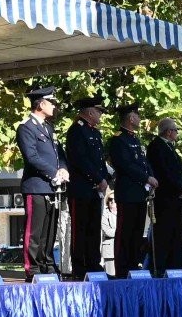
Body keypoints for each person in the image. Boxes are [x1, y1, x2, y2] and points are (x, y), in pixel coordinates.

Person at [17, 85, 66, 276]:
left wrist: (63, 169)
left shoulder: (48, 128)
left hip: (52, 187)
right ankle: (33, 268)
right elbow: (32, 157)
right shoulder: (26, 127)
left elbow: (58, 153)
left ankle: (47, 264)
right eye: (51, 103)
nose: (54, 106)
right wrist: (54, 172)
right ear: (40, 104)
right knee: (34, 232)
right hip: (36, 186)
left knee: (49, 232)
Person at [106, 104, 155, 275]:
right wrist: (146, 178)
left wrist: (151, 177)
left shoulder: (135, 139)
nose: (140, 119)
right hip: (127, 194)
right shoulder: (118, 140)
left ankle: (134, 266)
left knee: (136, 233)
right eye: (137, 115)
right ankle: (122, 268)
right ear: (131, 118)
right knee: (125, 233)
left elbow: (143, 162)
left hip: (139, 194)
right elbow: (126, 165)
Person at [65, 96, 109, 278]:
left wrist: (104, 178)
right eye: (98, 111)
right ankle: (80, 267)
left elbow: (100, 161)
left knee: (93, 230)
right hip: (81, 188)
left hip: (95, 190)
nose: (100, 115)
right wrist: (98, 178)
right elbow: (80, 159)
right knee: (80, 230)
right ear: (90, 112)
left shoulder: (95, 133)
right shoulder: (77, 131)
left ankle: (93, 264)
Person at [148, 116, 182, 273]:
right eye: (175, 130)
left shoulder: (170, 148)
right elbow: (165, 173)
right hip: (165, 199)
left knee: (176, 234)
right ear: (169, 131)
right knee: (165, 234)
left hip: (176, 199)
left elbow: (178, 170)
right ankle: (162, 268)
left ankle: (175, 266)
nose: (177, 133)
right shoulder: (156, 147)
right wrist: (179, 188)